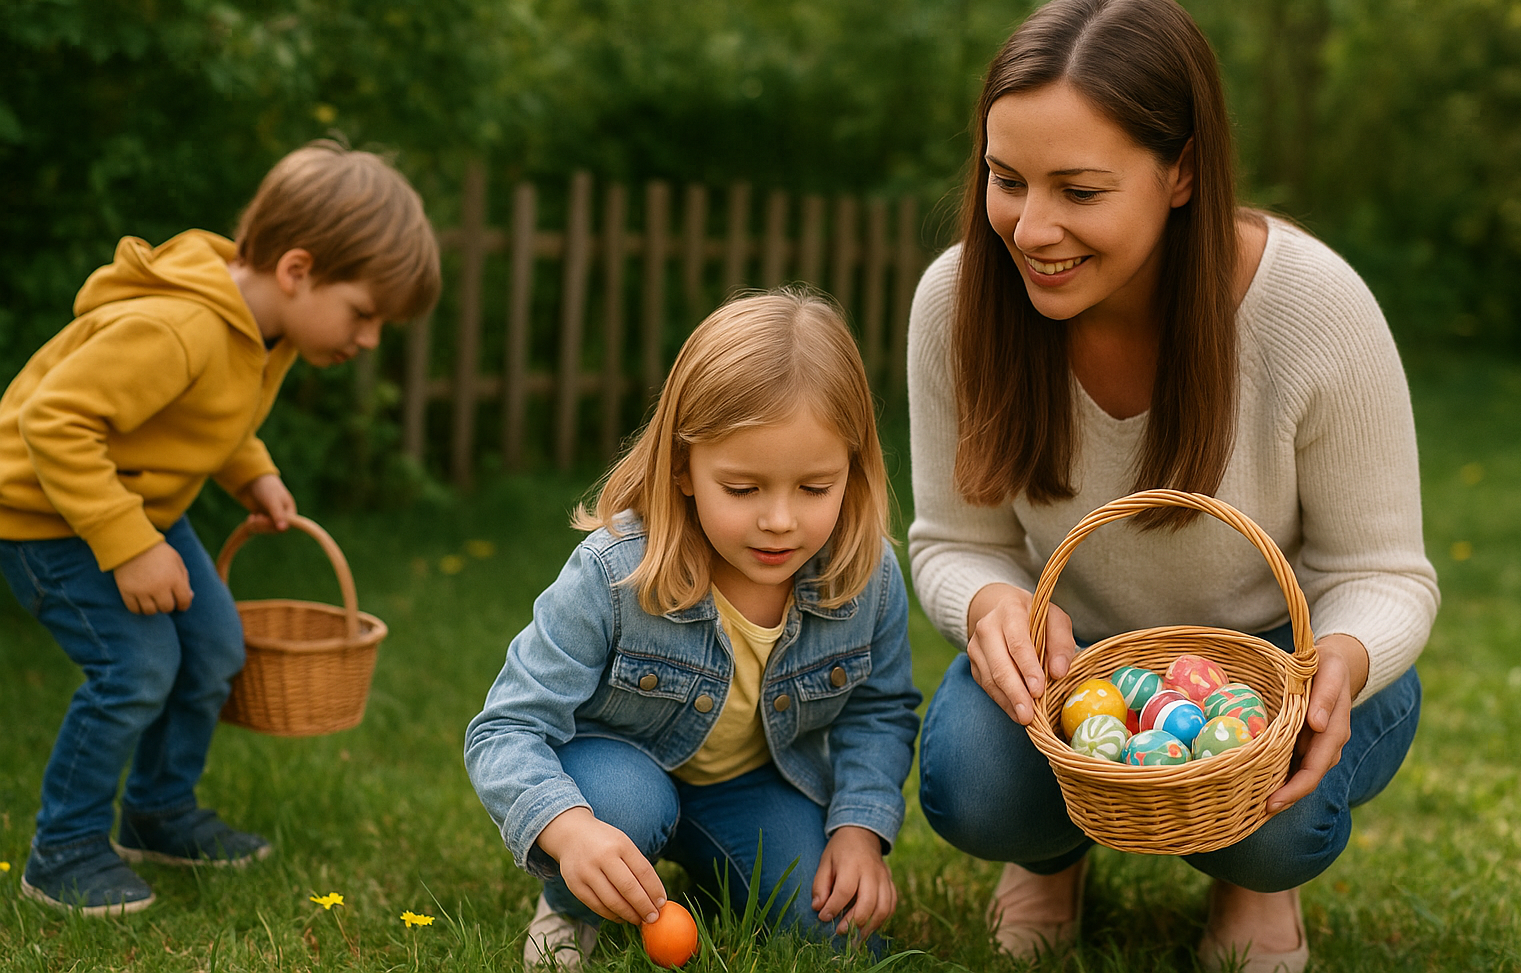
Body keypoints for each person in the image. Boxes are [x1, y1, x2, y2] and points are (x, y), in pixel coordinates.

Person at [907, 0, 1437, 973]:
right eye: (1006, 177)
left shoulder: (1312, 307)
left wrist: (1343, 662)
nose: (1028, 229)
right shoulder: (959, 302)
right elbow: (953, 537)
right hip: (1079, 660)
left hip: (1287, 653)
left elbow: (1388, 572)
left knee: (1278, 822)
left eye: (1079, 189)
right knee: (973, 784)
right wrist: (990, 604)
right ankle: (1050, 853)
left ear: (1182, 173)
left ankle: (1256, 876)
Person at [0, 140, 441, 916]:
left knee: (213, 649)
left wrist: (254, 472)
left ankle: (158, 813)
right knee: (135, 668)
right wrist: (131, 546)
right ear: (298, 270)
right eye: (364, 313)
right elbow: (54, 420)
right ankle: (62, 851)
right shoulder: (181, 328)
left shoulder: (260, 330)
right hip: (45, 515)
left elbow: (213, 414)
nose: (368, 338)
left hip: (136, 509)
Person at [465, 290, 921, 971]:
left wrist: (858, 831)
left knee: (831, 930)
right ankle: (571, 903)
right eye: (742, 489)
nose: (779, 521)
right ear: (682, 466)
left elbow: (879, 710)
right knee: (623, 807)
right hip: (615, 772)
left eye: (815, 488)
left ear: (854, 468)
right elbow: (504, 730)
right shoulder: (613, 571)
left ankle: (712, 866)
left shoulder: (867, 574)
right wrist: (571, 831)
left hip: (750, 785)